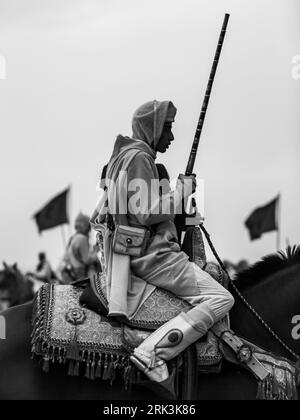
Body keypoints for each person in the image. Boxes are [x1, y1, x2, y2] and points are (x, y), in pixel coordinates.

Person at [94, 100, 234, 390]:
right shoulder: (139, 157)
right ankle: (152, 352)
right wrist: (181, 192)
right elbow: (146, 212)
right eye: (167, 129)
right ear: (152, 128)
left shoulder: (125, 156)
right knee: (222, 299)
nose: (170, 137)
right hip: (156, 257)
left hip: (140, 252)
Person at [60, 213, 99, 283]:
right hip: (80, 274)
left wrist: (93, 251)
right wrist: (96, 251)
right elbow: (86, 260)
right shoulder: (82, 238)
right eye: (88, 227)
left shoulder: (74, 238)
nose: (89, 230)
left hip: (72, 272)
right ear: (85, 226)